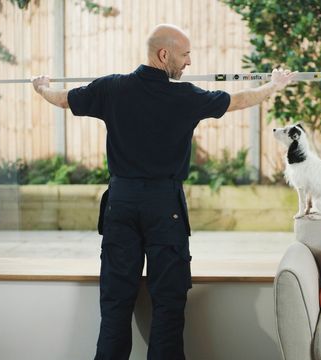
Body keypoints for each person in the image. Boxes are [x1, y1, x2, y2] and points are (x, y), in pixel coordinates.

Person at [31, 24, 295, 360]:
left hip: (121, 204)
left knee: (115, 305)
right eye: (184, 55)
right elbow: (240, 100)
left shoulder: (112, 88)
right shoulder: (183, 97)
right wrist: (273, 85)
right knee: (168, 306)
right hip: (162, 206)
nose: (188, 62)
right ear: (164, 54)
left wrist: (41, 89)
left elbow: (63, 99)